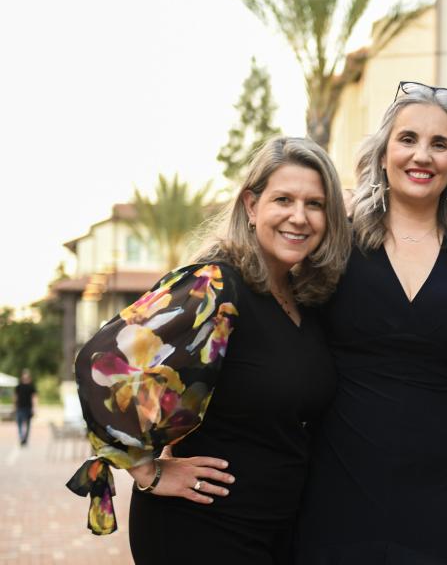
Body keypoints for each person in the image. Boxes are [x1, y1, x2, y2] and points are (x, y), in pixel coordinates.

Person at [66, 137, 349, 564]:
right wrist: (148, 471)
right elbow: (101, 365)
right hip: (200, 529)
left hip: (273, 528)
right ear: (251, 207)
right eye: (284, 200)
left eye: (315, 204)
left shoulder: (303, 300)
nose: (299, 217)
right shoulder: (214, 286)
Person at [295, 81, 447, 564]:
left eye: (440, 144)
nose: (423, 156)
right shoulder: (333, 242)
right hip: (337, 481)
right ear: (384, 151)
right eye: (408, 139)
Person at [15, 369, 36, 446]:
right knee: (20, 424)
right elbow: (15, 397)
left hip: (28, 408)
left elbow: (34, 397)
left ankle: (24, 438)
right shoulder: (18, 386)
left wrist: (34, 408)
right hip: (20, 407)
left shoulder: (31, 387)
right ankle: (22, 437)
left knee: (27, 425)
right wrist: (15, 406)